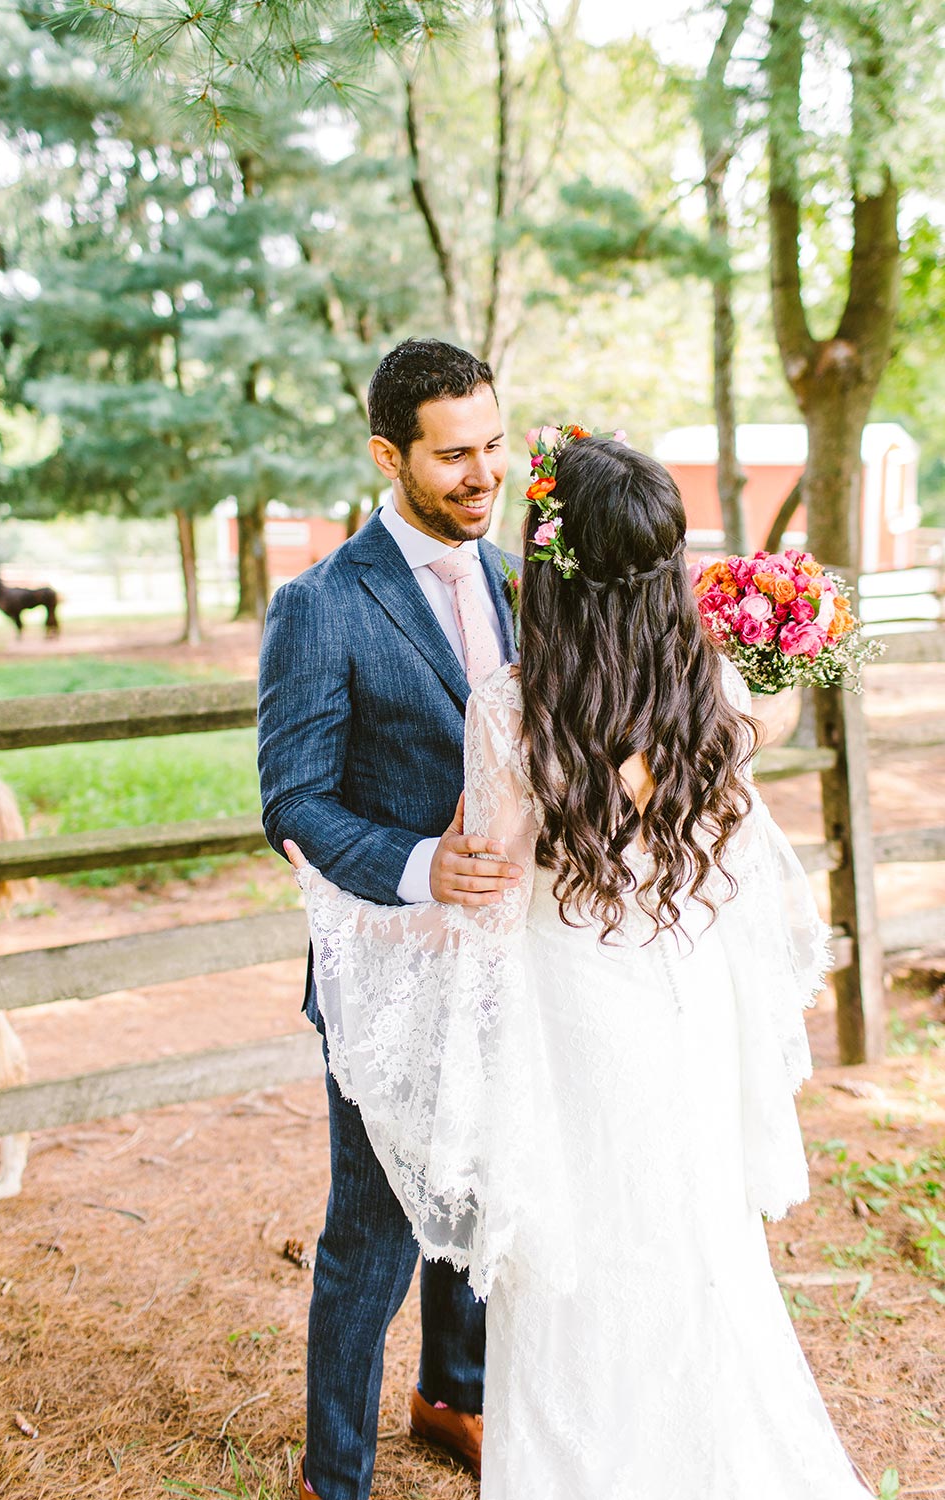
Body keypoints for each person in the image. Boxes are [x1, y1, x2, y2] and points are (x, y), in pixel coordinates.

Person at [285, 430, 876, 1499]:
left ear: (549, 571)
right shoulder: (715, 691)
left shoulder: (512, 712)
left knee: (574, 1274)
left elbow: (489, 900)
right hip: (685, 1004)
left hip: (573, 1028)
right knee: (693, 1247)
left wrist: (376, 923)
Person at [258, 339, 524, 1500]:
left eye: (494, 446)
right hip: (384, 970)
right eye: (454, 456)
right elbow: (294, 799)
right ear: (388, 455)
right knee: (370, 1232)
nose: (483, 474)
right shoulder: (320, 603)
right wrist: (419, 866)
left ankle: (450, 1395)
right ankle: (335, 1473)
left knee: (472, 1188)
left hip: (504, 962)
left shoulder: (514, 578)